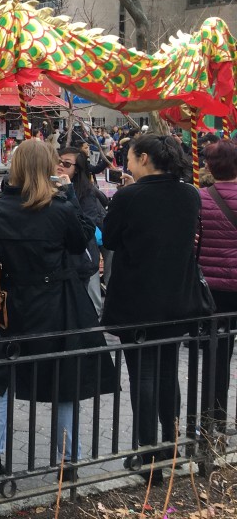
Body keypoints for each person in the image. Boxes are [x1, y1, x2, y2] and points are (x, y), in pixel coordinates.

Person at [0, 140, 113, 480]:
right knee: (63, 379)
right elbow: (81, 239)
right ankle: (67, 461)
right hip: (57, 301)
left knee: (2, 379)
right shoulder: (59, 208)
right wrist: (69, 196)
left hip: (11, 302)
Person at [102, 134, 204, 484]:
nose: (126, 164)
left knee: (142, 376)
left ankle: (147, 454)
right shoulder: (190, 194)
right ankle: (172, 445)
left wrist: (124, 198)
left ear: (143, 158)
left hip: (136, 301)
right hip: (177, 299)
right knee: (167, 371)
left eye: (129, 158)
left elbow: (111, 239)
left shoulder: (129, 196)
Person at [197, 140, 237, 447]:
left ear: (210, 167)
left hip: (212, 289)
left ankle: (213, 421)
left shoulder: (200, 198)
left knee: (216, 354)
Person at [57, 146, 107, 313]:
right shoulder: (45, 187)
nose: (60, 166)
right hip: (56, 262)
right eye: (57, 161)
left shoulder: (85, 192)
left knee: (82, 309)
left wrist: (68, 191)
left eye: (66, 164)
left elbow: (87, 227)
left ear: (77, 170)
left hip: (80, 260)